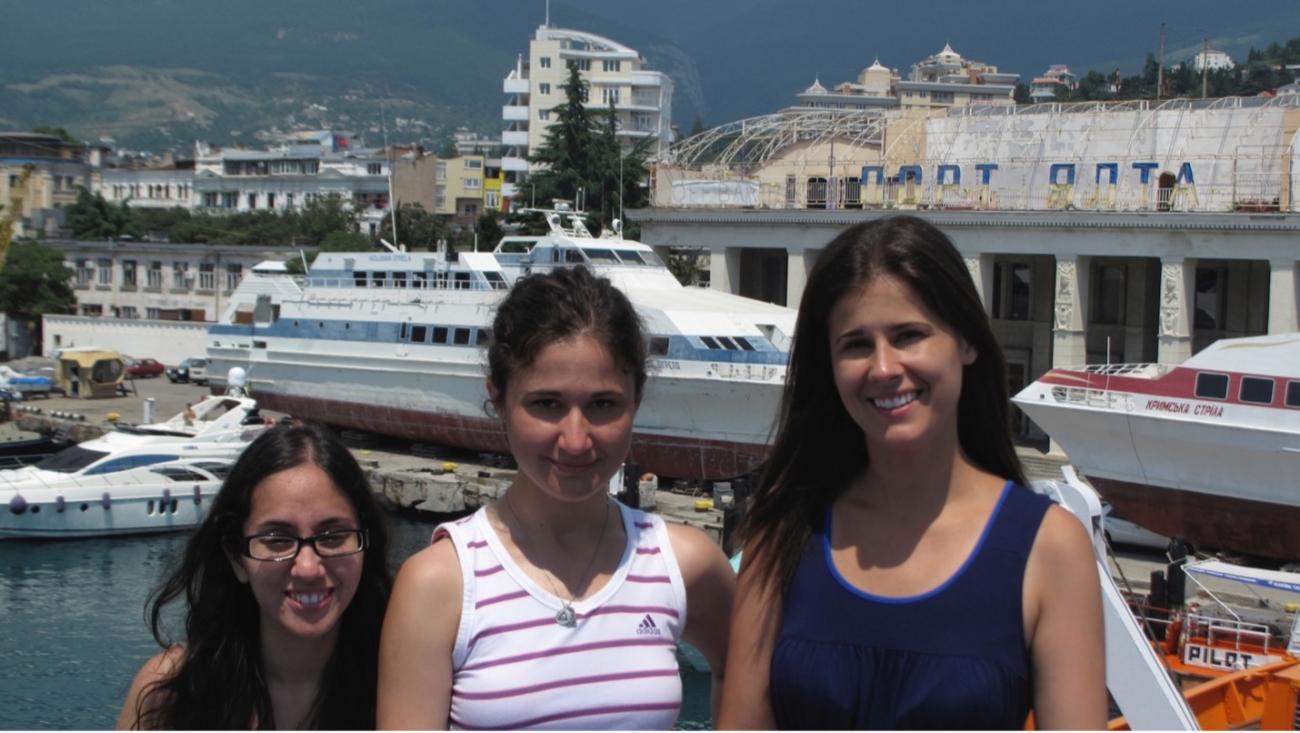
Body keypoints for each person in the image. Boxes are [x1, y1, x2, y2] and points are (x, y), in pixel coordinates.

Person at [718, 216, 1105, 730]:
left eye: (908, 336)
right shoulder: (782, 533)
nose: (883, 368)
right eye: (856, 345)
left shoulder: (1050, 548)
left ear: (967, 343)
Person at [378, 267, 735, 729]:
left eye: (603, 404)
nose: (575, 439)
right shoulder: (440, 585)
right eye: (546, 404)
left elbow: (747, 668)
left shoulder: (685, 565)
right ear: (499, 398)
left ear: (637, 399)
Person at [117, 423, 392, 730]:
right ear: (236, 557)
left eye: (332, 536)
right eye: (278, 540)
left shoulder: (407, 690)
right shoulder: (168, 692)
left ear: (365, 545)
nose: (308, 567)